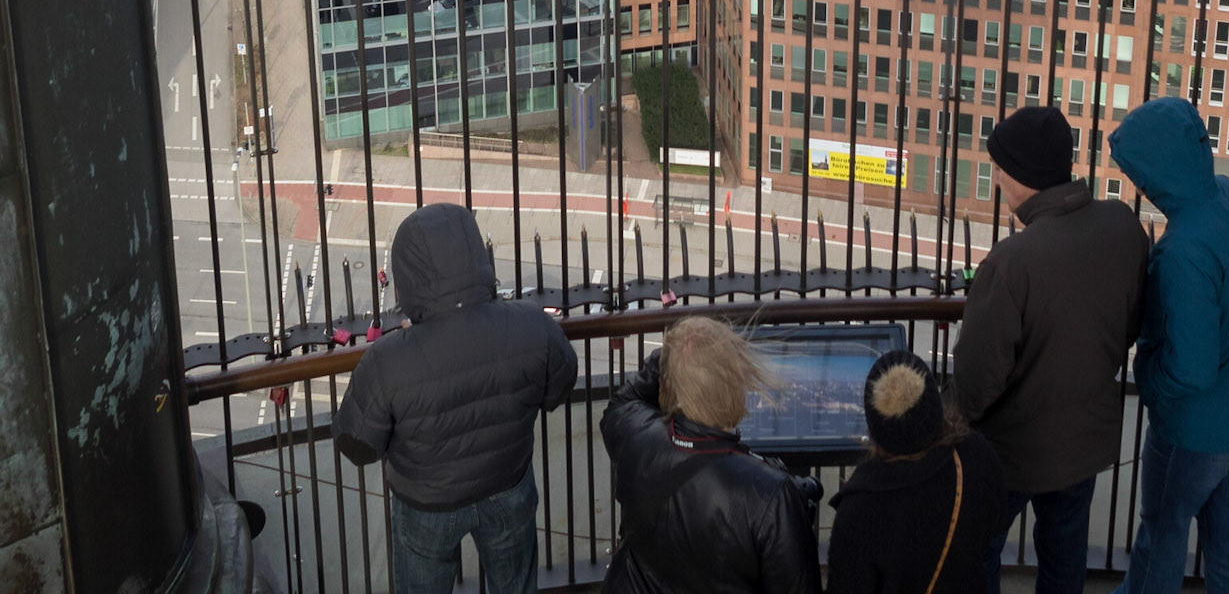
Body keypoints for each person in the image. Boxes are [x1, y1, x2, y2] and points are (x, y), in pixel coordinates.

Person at [952, 105, 1147, 594]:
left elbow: (978, 381)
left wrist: (949, 423)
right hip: (1085, 443)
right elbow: (1129, 324)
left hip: (1013, 454)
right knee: (1064, 557)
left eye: (998, 170)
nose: (995, 181)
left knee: (977, 551)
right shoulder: (1123, 226)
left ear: (1022, 175)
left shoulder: (1012, 262)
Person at [335, 202, 577, 594]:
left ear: (407, 277)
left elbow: (357, 445)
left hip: (425, 503)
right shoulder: (533, 325)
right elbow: (558, 389)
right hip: (508, 481)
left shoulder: (387, 360)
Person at [1108, 97, 1229, 594]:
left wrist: (1148, 381)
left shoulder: (1183, 251)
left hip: (1198, 430)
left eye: (1136, 173)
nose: (1136, 185)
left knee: (1162, 532)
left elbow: (1190, 370)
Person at [601, 316, 821, 594]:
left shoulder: (635, 436)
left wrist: (673, 356)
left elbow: (622, 402)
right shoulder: (773, 495)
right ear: (735, 387)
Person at [827, 350, 1009, 594]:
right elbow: (994, 520)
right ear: (933, 405)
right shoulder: (974, 456)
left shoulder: (859, 509)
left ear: (875, 427)